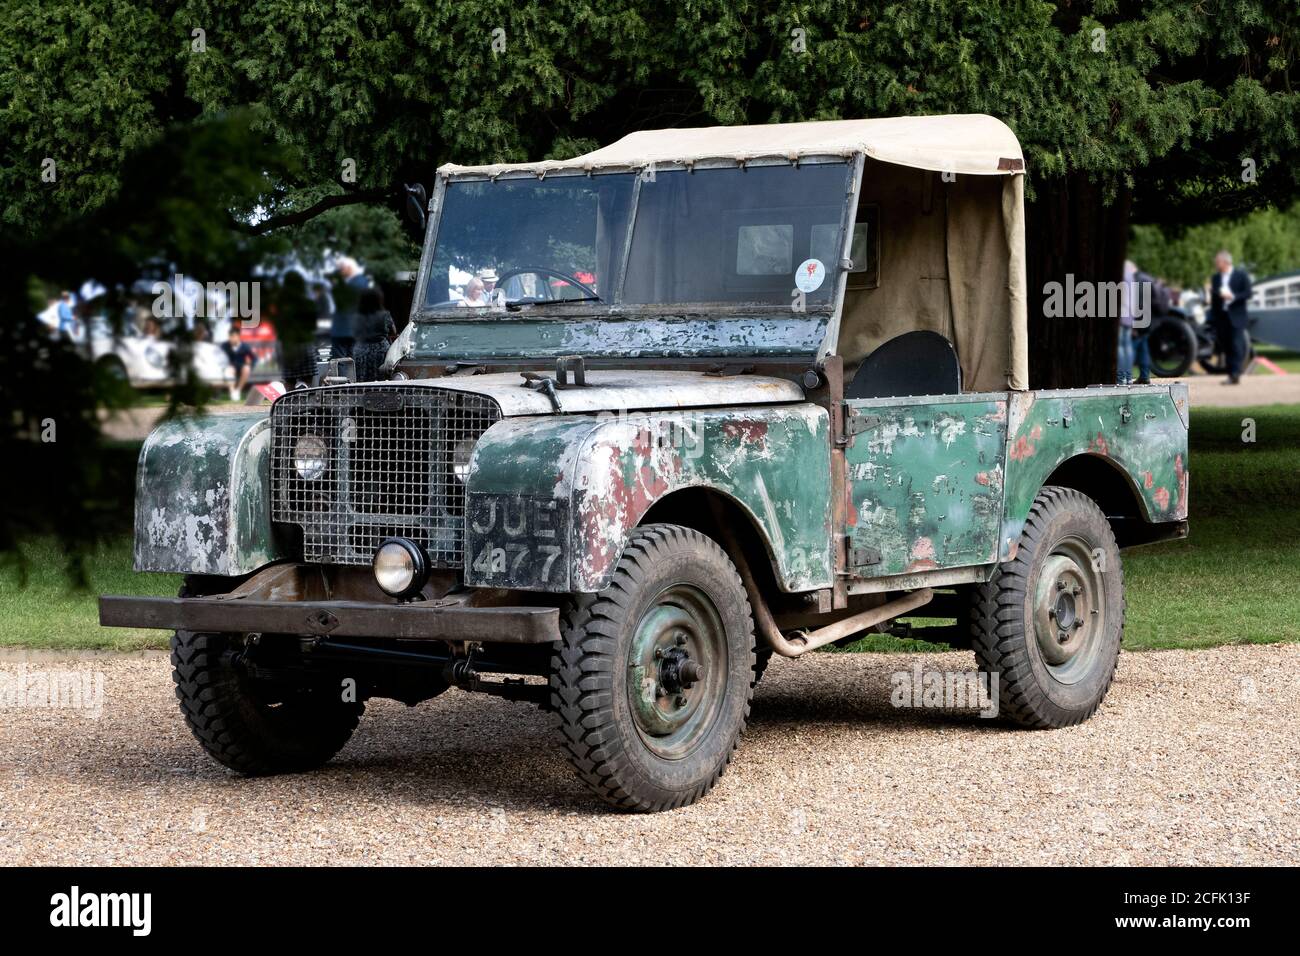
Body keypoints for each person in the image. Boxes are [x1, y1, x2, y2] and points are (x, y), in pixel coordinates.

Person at [1207, 250, 1252, 385]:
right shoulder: (1216, 278)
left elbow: (1248, 293)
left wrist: (1233, 297)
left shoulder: (1241, 275)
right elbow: (1215, 299)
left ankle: (1235, 374)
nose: (1216, 264)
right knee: (1226, 346)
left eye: (1217, 262)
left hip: (1237, 316)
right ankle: (1231, 372)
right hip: (1221, 317)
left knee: (1236, 345)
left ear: (1225, 262)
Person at [351, 287, 397, 382]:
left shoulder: (356, 315)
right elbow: (394, 331)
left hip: (361, 350)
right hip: (381, 350)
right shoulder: (385, 314)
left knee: (361, 379)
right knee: (382, 379)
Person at [331, 255, 373, 357]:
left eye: (341, 269)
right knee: (351, 358)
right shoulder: (362, 282)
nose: (340, 271)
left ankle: (343, 373)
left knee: (340, 359)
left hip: (343, 328)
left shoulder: (351, 284)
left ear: (349, 268)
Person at [222, 326, 257, 400]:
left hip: (241, 367)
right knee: (229, 370)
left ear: (238, 336)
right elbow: (219, 357)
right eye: (230, 336)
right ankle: (232, 392)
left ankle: (238, 391)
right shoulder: (225, 346)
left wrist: (251, 365)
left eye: (233, 336)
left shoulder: (245, 346)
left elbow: (254, 358)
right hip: (230, 367)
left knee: (247, 368)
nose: (231, 338)